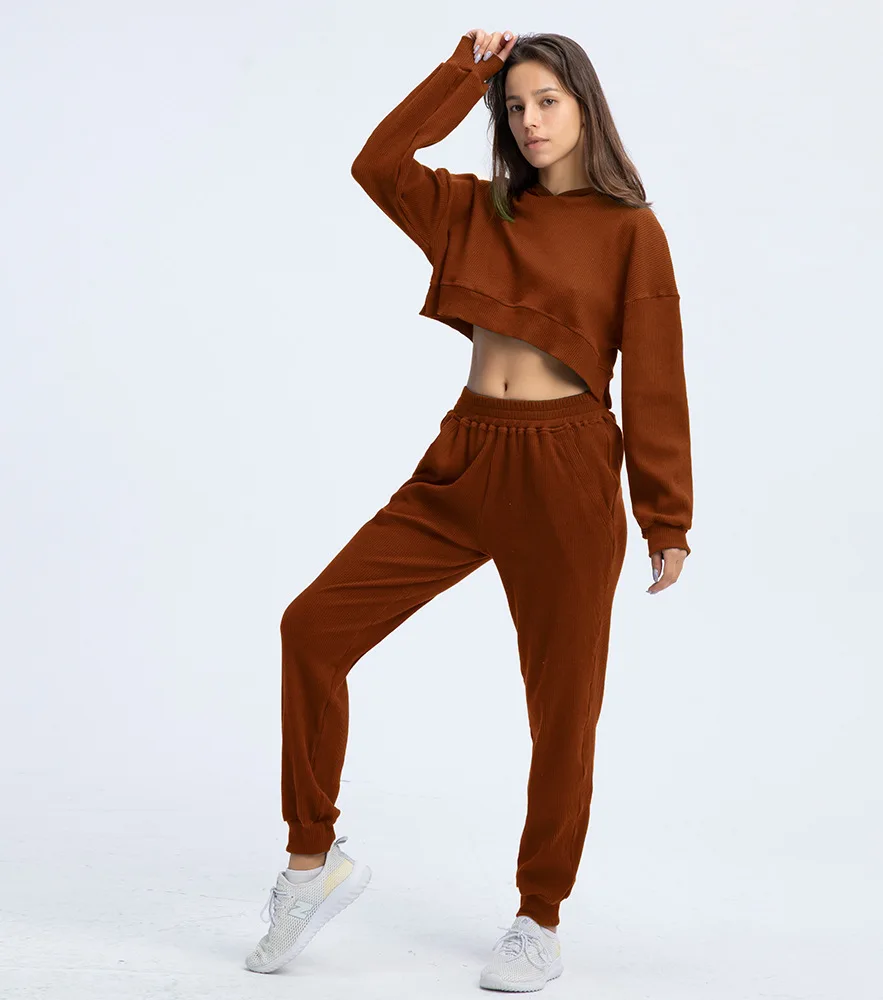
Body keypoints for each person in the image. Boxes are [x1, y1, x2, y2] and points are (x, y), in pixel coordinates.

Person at [245, 26, 694, 990]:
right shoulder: (474, 209)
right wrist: (465, 72)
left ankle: (539, 919)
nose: (529, 120)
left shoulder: (630, 230)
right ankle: (311, 862)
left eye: (548, 101)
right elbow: (378, 162)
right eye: (515, 104)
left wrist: (666, 515)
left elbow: (657, 374)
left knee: (562, 713)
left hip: (569, 471)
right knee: (312, 629)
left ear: (586, 108)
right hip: (468, 456)